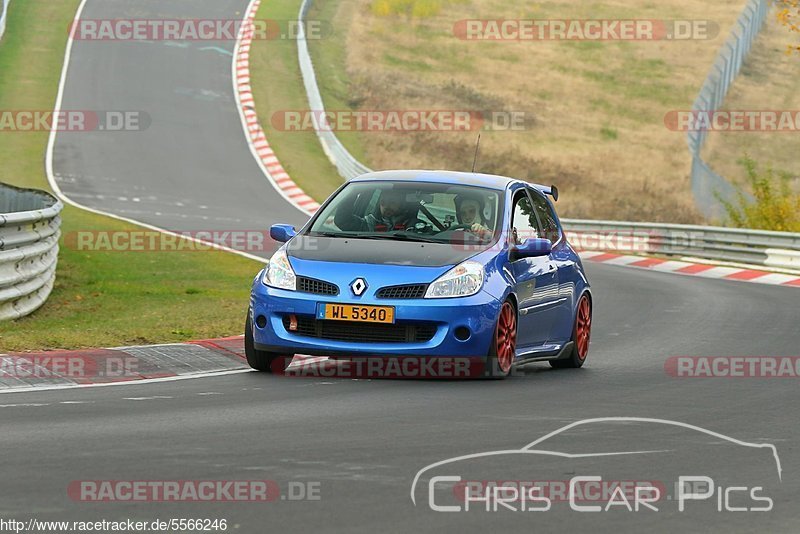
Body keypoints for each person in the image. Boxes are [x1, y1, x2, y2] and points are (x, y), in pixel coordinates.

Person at [334, 188, 419, 232]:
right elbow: (342, 220)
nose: (386, 206)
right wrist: (354, 193)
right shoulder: (370, 224)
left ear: (403, 205)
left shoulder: (415, 227)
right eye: (383, 203)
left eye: (392, 202)